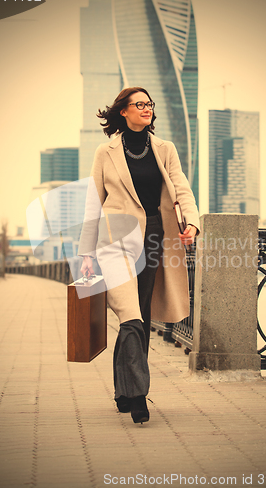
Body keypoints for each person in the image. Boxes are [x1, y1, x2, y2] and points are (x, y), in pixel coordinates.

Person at [78, 87, 200, 424]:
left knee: (141, 316)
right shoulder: (106, 152)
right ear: (123, 112)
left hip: (155, 241)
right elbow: (93, 203)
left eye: (149, 104)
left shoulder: (164, 149)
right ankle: (139, 395)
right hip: (115, 243)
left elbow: (182, 188)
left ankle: (124, 390)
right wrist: (84, 256)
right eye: (140, 104)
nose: (147, 109)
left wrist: (191, 223)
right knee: (130, 315)